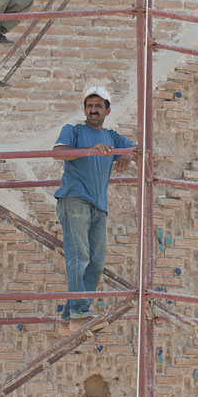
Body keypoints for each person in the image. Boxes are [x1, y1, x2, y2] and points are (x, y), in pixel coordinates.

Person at [51, 82, 136, 322]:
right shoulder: (74, 130)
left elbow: (137, 149)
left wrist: (127, 156)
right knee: (79, 256)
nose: (93, 110)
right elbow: (58, 152)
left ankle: (72, 313)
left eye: (98, 106)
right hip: (75, 200)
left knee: (96, 263)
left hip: (99, 206)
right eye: (89, 106)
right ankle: (79, 310)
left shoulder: (111, 136)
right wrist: (91, 150)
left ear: (107, 110)